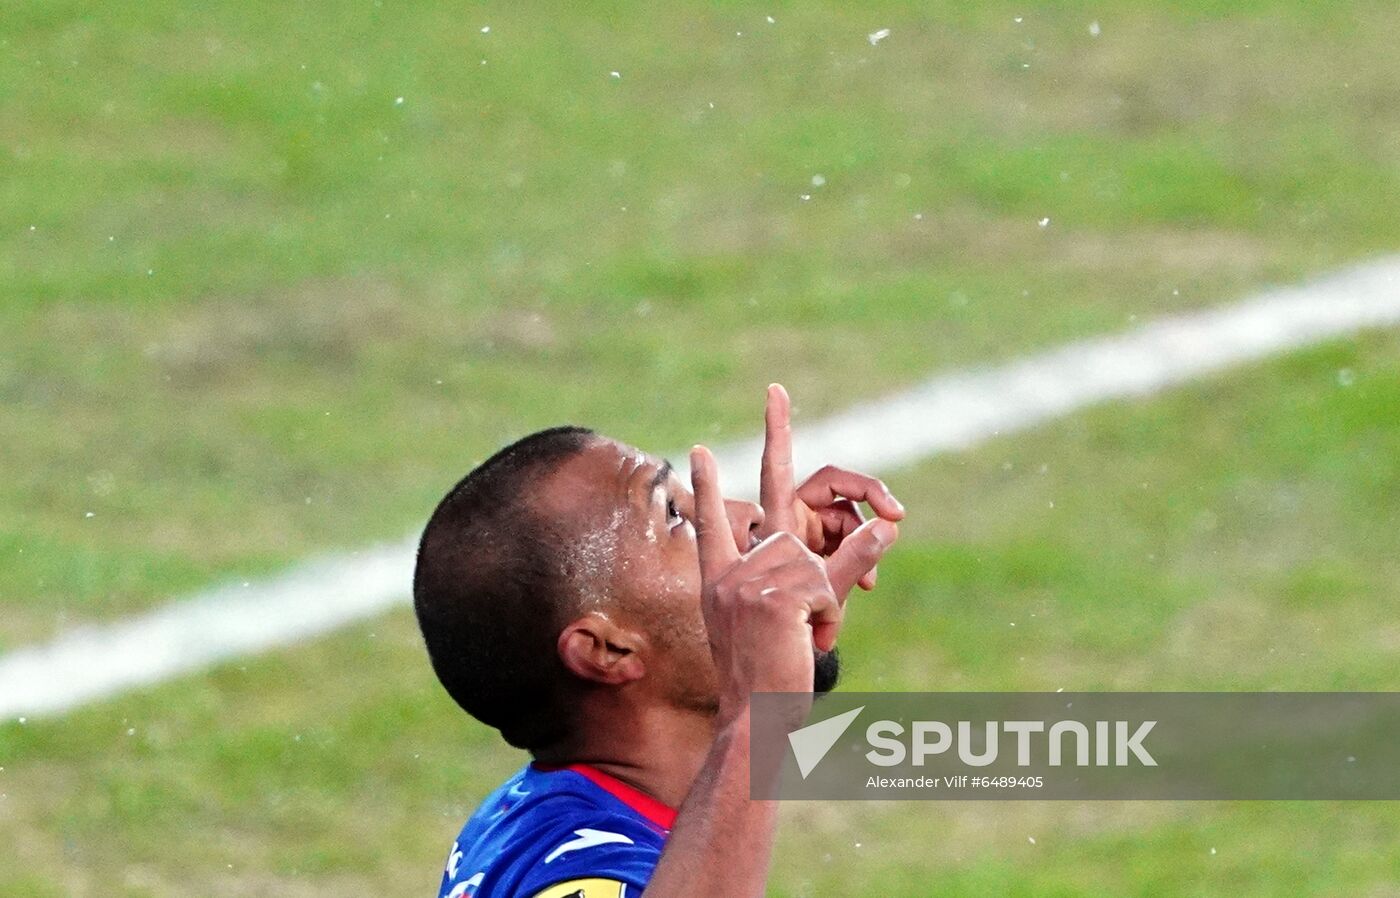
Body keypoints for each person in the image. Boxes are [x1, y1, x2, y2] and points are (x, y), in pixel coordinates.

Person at [414, 385, 904, 897]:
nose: (745, 517)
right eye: (676, 517)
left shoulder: (543, 815)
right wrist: (760, 711)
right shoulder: (576, 878)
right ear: (608, 651)